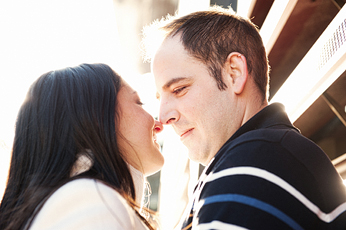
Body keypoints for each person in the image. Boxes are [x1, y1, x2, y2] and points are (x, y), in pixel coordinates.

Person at [142, 6, 346, 229]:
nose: (163, 116)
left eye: (179, 89)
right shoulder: (260, 158)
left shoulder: (253, 161)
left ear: (234, 73)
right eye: (160, 98)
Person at [0, 63, 164, 230]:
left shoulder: (75, 202)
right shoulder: (90, 200)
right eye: (139, 103)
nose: (159, 124)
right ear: (98, 119)